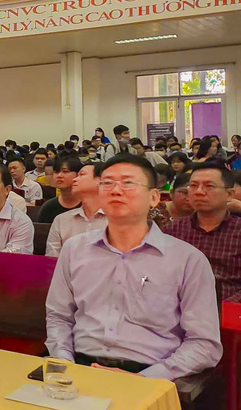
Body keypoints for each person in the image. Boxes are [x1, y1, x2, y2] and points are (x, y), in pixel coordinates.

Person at [45, 155, 222, 380]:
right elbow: (59, 316)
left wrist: (147, 378)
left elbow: (204, 343)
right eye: (107, 183)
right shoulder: (74, 249)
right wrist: (65, 363)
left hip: (150, 372)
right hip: (79, 367)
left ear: (154, 197)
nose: (115, 191)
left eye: (128, 183)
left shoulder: (187, 260)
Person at [165, 164, 241, 302]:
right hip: (179, 306)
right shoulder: (172, 231)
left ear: (229, 194)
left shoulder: (238, 231)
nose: (199, 192)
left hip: (229, 308)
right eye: (193, 186)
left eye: (209, 186)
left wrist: (223, 307)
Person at [46, 163, 107, 257]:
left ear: (100, 181)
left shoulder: (118, 220)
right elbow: (52, 259)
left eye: (81, 175)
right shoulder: (61, 220)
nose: (74, 179)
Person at [37, 156, 83, 225]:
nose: (59, 176)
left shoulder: (87, 204)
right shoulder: (48, 207)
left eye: (65, 171)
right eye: (56, 172)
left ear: (78, 175)